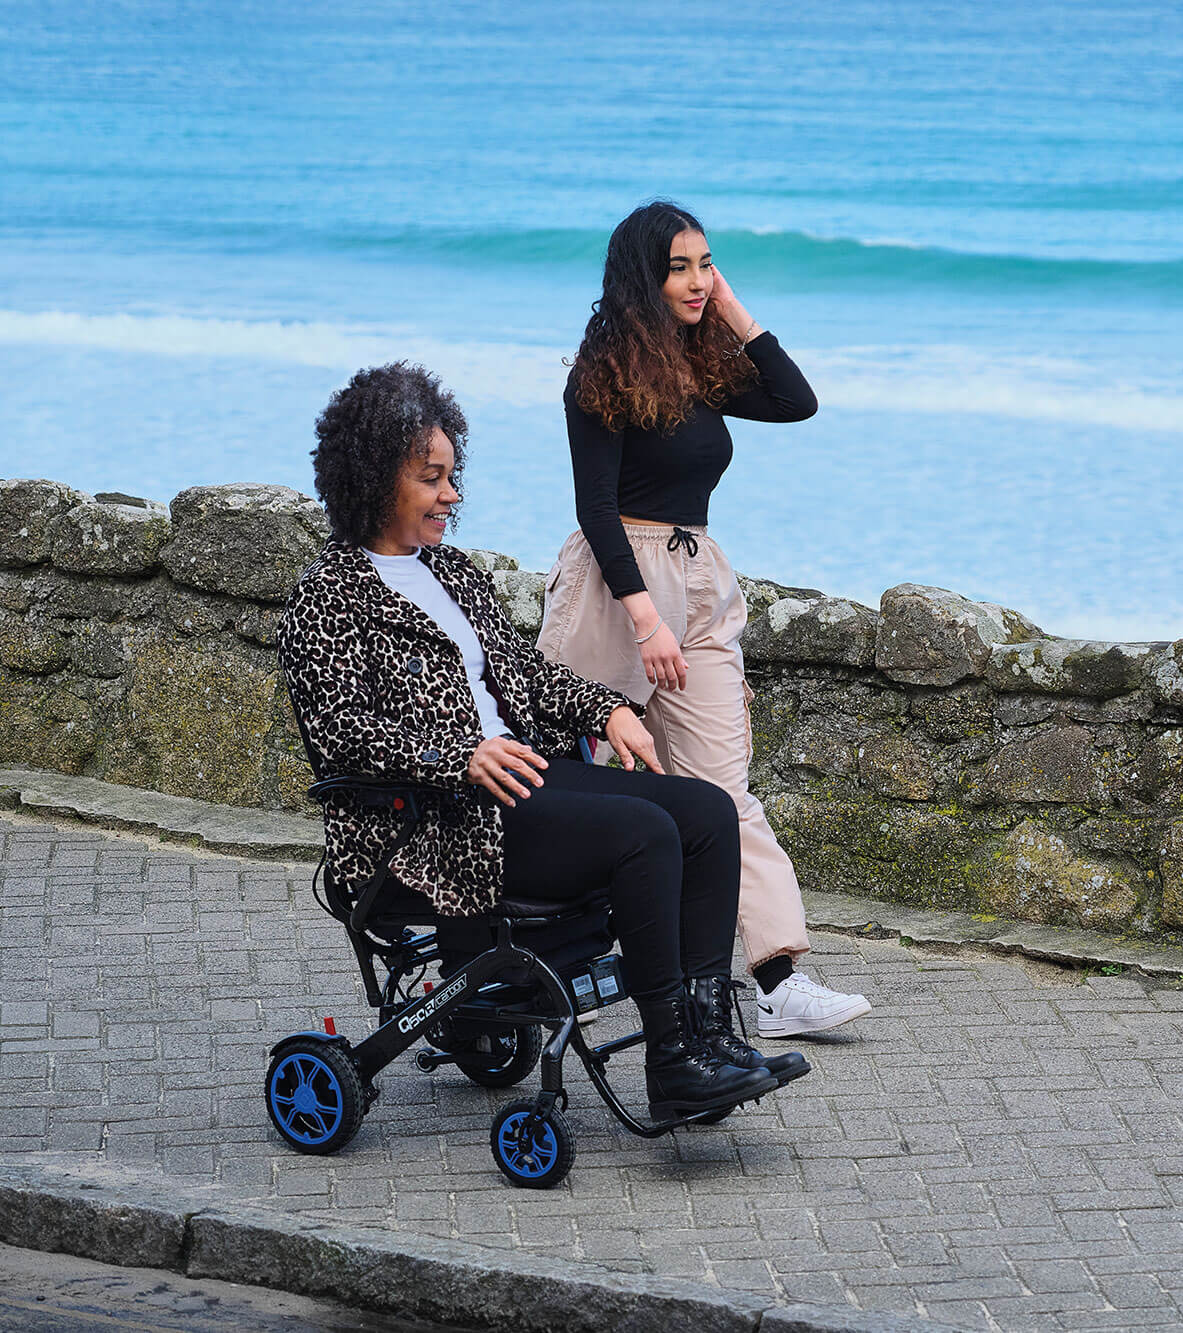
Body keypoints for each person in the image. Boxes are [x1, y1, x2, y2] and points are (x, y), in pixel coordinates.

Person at [279, 361, 807, 1121]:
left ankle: (708, 1037)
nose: (451, 495)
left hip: (521, 779)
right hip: (434, 823)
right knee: (643, 832)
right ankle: (672, 1059)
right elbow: (342, 735)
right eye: (431, 479)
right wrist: (457, 757)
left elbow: (526, 673)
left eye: (452, 476)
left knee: (706, 811)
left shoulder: (452, 572)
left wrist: (606, 709)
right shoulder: (326, 597)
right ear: (373, 478)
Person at [538, 200, 871, 1038]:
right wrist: (645, 620)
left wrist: (730, 307)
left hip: (697, 577)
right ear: (642, 278)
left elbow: (797, 399)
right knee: (558, 769)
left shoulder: (702, 363)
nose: (697, 280)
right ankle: (534, 958)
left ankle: (778, 983)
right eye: (680, 267)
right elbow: (595, 507)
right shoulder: (602, 372)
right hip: (616, 584)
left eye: (707, 263)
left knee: (724, 792)